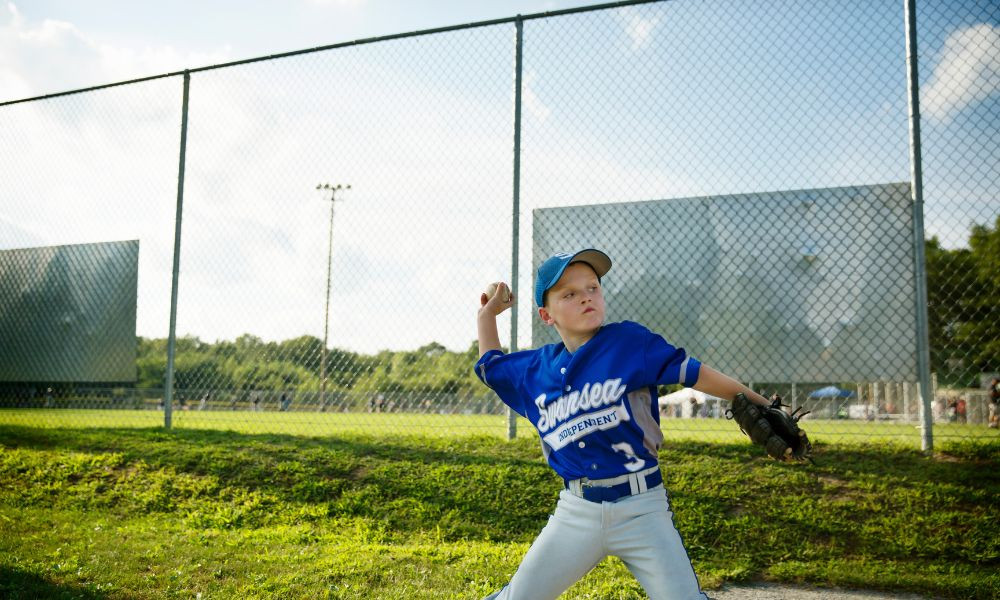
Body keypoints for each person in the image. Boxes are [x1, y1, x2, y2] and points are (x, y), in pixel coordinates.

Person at [475, 248, 775, 600]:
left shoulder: (630, 343)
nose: (586, 297)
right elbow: (490, 366)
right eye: (569, 294)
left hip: (642, 508)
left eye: (592, 288)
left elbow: (697, 375)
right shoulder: (533, 371)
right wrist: (487, 315)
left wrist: (765, 407)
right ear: (546, 315)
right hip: (577, 510)